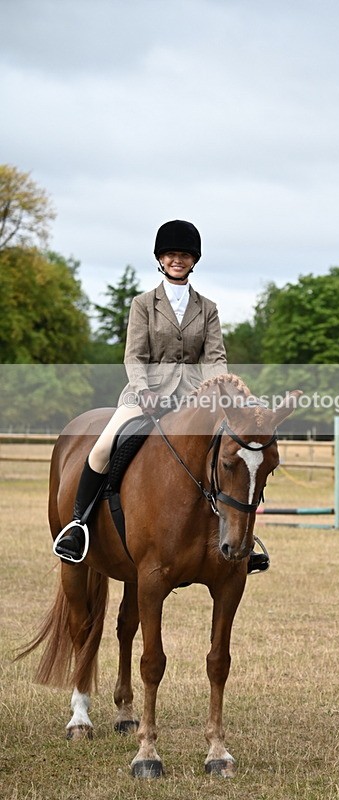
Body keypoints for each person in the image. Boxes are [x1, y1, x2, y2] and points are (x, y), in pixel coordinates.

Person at [53, 219, 269, 573]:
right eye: (170, 254)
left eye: (183, 255)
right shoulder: (143, 304)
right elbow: (134, 355)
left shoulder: (208, 308)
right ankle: (78, 525)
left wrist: (221, 393)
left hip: (193, 399)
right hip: (145, 395)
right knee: (104, 445)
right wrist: (143, 390)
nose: (177, 260)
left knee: (232, 452)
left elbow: (215, 358)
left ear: (193, 260)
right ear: (160, 259)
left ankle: (239, 541)